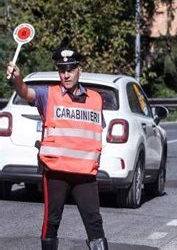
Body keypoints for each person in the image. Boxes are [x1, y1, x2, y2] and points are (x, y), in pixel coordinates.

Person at [6, 47, 108, 250]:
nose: (66, 74)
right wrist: (17, 79)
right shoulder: (48, 94)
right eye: (62, 70)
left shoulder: (95, 99)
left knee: (94, 221)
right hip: (56, 172)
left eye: (70, 69)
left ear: (79, 70)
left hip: (84, 173)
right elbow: (26, 92)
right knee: (52, 221)